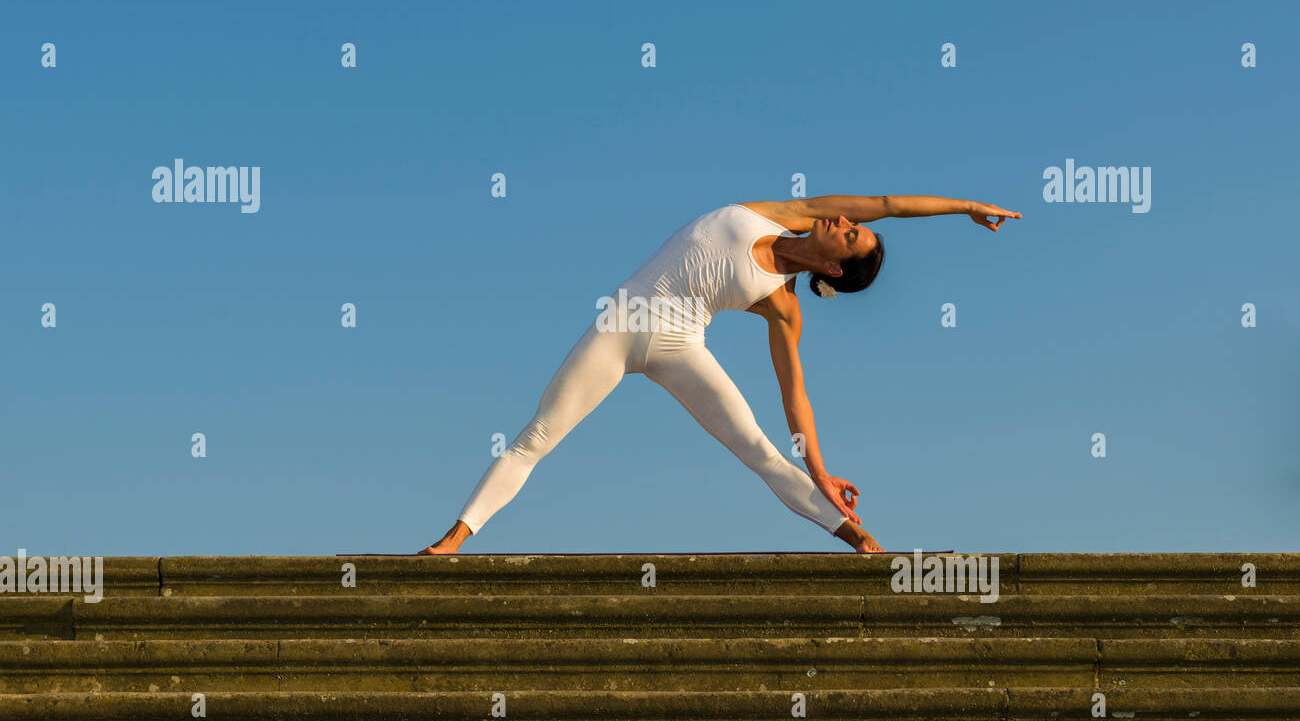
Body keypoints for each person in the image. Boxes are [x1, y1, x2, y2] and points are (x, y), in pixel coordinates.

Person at [420, 194, 1020, 555]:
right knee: (536, 437)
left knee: (760, 449)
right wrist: (966, 207)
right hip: (620, 322)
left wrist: (821, 471)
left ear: (837, 268)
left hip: (681, 346)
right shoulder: (782, 213)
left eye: (852, 232)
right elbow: (890, 203)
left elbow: (796, 400)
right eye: (849, 220)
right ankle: (451, 544)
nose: (843, 217)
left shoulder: (784, 308)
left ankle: (855, 536)